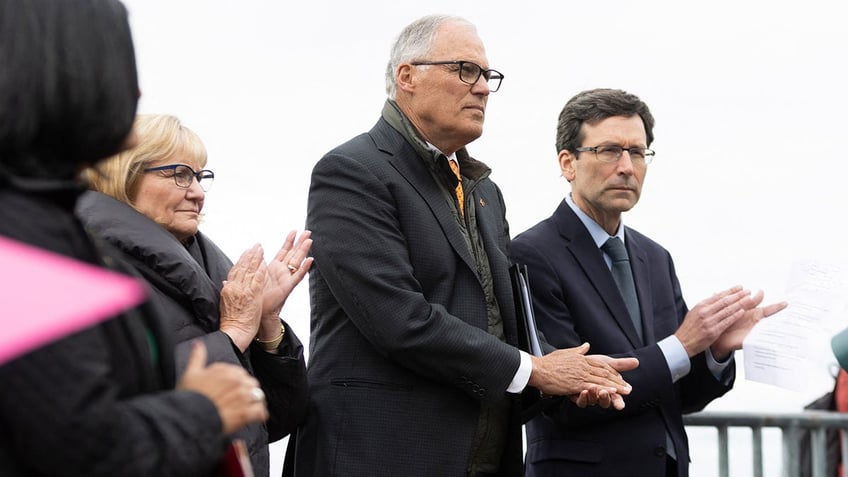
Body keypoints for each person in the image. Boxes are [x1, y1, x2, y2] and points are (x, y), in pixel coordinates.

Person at [288, 15, 638, 477]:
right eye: (465, 70)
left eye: (487, 76)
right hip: (379, 456)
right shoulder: (352, 171)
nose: (482, 88)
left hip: (481, 459)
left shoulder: (485, 192)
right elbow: (399, 320)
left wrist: (564, 376)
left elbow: (499, 324)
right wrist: (536, 370)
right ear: (407, 76)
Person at [0, 0, 270, 476]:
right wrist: (202, 410)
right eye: (119, 66)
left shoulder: (50, 223)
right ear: (64, 76)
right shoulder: (24, 238)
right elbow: (77, 448)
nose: (137, 90)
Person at [510, 88, 788, 477]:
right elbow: (562, 401)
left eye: (637, 152)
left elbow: (680, 396)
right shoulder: (531, 254)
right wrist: (683, 343)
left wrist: (716, 350)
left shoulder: (655, 257)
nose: (626, 166)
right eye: (608, 150)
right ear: (567, 163)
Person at [77, 114, 311, 477]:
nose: (198, 192)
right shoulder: (87, 265)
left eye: (201, 177)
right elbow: (106, 401)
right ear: (126, 174)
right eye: (180, 174)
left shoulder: (212, 271)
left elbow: (273, 421)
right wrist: (231, 335)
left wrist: (266, 325)